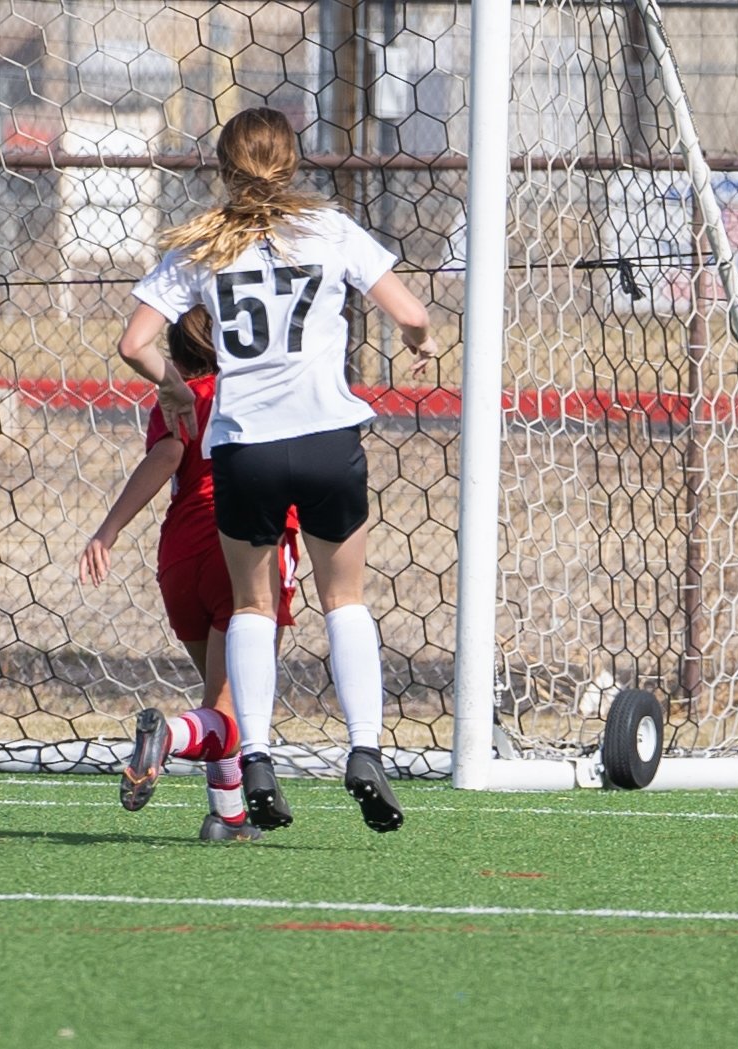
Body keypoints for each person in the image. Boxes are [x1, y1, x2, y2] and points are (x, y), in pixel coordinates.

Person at [118, 106, 441, 834]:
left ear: (222, 169)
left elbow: (134, 341)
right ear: (293, 163)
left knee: (252, 607)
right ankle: (365, 752)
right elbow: (411, 311)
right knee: (344, 598)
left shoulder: (203, 244)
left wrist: (172, 385)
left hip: (246, 448)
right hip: (328, 439)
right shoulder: (330, 228)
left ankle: (257, 758)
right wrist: (419, 340)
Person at [80, 306, 299, 843]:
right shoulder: (260, 393)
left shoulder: (178, 398)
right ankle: (170, 737)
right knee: (238, 704)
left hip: (180, 556)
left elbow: (165, 457)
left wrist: (107, 530)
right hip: (245, 551)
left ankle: (227, 817)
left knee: (221, 701)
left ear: (176, 354)